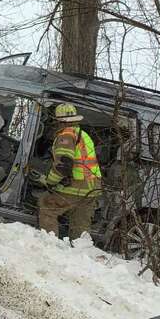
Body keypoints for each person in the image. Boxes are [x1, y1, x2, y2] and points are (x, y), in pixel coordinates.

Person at [36, 102, 102, 239]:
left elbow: (63, 166)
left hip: (76, 187)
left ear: (58, 121)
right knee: (80, 225)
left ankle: (50, 244)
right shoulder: (83, 134)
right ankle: (79, 252)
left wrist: (49, 182)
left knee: (47, 207)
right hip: (92, 188)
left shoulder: (66, 136)